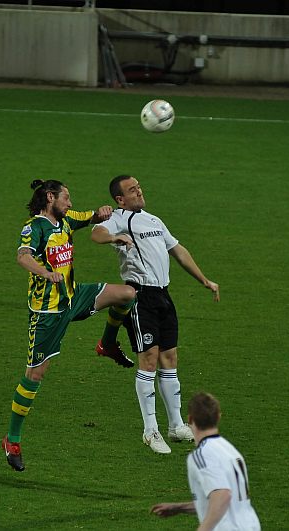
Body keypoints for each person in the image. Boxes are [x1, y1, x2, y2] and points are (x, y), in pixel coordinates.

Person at [1, 179, 137, 472]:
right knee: (34, 377)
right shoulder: (35, 227)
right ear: (51, 197)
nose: (70, 203)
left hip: (73, 297)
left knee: (127, 294)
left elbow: (92, 216)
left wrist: (102, 212)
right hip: (47, 313)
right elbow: (22, 257)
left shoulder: (65, 221)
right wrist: (45, 273)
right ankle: (12, 440)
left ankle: (108, 343)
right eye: (66, 197)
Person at [91, 175, 219, 454]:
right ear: (120, 199)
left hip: (163, 295)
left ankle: (175, 425)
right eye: (131, 190)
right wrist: (114, 236)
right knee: (148, 360)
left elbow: (178, 251)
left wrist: (204, 280)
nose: (139, 191)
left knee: (169, 358)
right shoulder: (119, 218)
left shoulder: (154, 220)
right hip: (140, 296)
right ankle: (150, 430)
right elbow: (96, 233)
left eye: (138, 187)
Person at [150, 392, 261, 531]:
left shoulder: (202, 455)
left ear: (190, 419)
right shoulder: (230, 450)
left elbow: (222, 495)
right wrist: (179, 508)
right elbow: (225, 499)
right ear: (218, 417)